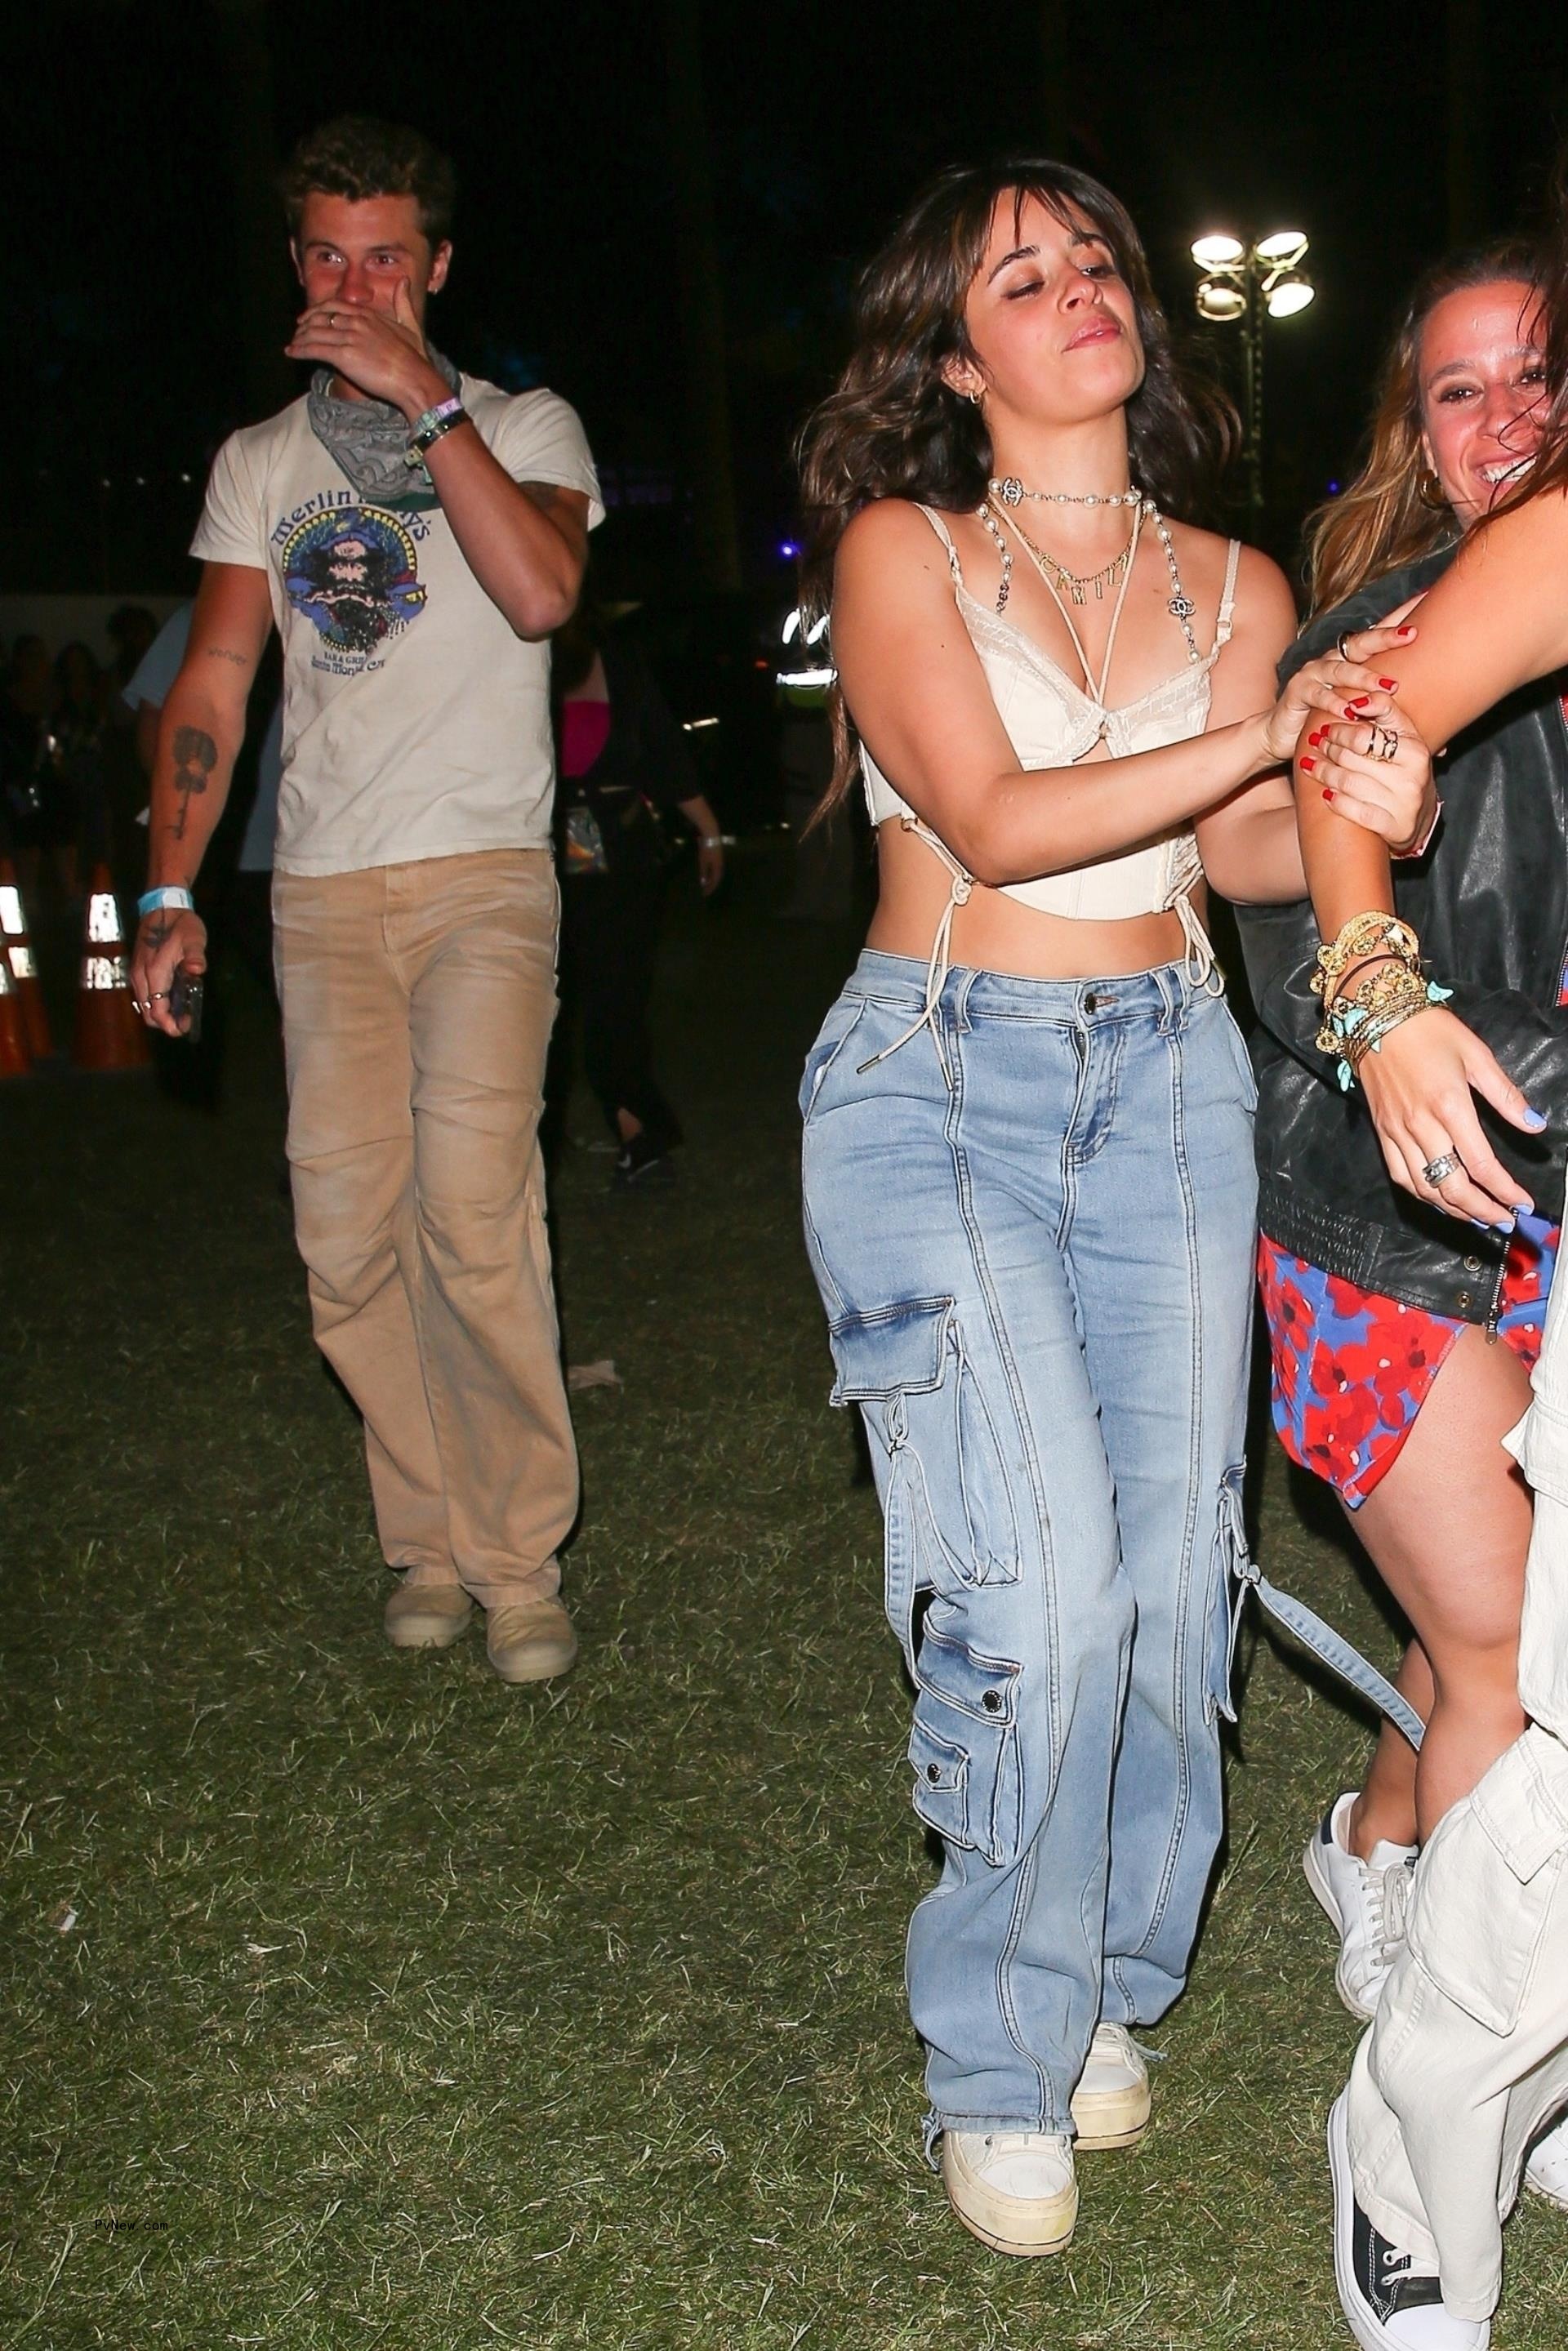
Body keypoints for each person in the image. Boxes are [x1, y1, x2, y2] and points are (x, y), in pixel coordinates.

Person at [793, 158, 1430, 2260]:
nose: (1076, 290)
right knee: (1038, 1587)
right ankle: (995, 2041)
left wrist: (1360, 788)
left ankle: (1099, 1991)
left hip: (1168, 1087)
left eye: (1093, 262)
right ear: (954, 355)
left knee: (1167, 1603)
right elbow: (991, 809)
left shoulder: (1239, 582)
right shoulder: (903, 549)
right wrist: (1275, 725)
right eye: (1019, 274)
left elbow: (1236, 850)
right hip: (937, 1079)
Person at [128, 114, 602, 1685]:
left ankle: (518, 1561)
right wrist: (167, 885)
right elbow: (214, 674)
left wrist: (430, 402)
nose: (353, 282)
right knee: (346, 1239)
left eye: (384, 255)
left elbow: (540, 593)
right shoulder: (258, 464)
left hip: (485, 874)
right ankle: (425, 1539)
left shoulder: (529, 423)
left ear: (437, 266)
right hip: (320, 893)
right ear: (295, 266)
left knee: (471, 1210)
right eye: (327, 254)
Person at [1291, 181, 1568, 2350]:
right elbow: (1317, 787)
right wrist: (1378, 986)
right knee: (1510, 1667)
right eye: (1458, 387)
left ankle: (1394, 1872)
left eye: (1532, 375)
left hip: (1539, 1214)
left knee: (1510, 1672)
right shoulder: (1419, 614)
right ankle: (1433, 2121)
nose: (1504, 420)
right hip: (1401, 1232)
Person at [550, 604, 724, 1188]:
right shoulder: (513, 664)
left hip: (620, 853)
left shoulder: (621, 669)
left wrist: (708, 830)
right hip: (535, 853)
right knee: (545, 1000)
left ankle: (637, 1132)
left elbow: (665, 754)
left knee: (615, 993)